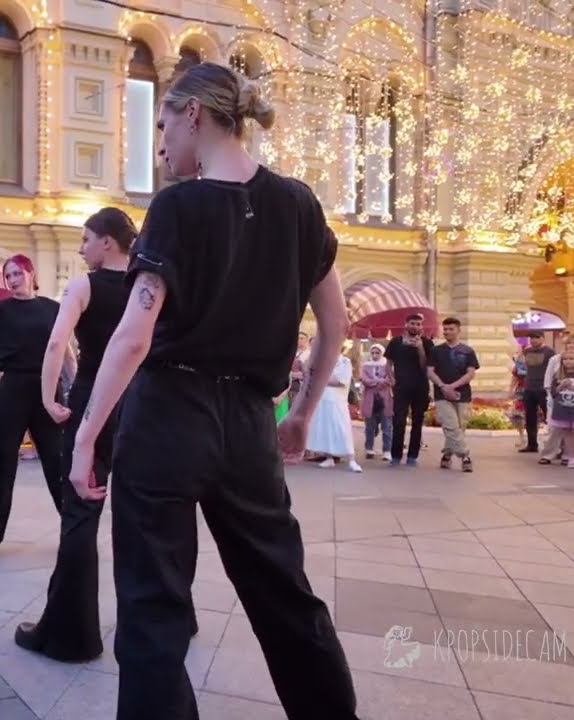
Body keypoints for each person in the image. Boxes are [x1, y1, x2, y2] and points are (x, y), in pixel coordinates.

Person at [64, 62, 356, 720]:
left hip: (167, 415)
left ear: (194, 114)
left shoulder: (177, 206)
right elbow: (336, 324)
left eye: (163, 125)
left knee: (153, 603)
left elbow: (134, 337)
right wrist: (301, 412)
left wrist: (86, 436)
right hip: (251, 422)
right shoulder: (299, 205)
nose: (161, 144)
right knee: (284, 593)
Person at [13, 207, 135, 663]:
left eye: (86, 239)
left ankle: (72, 635)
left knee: (81, 513)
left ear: (107, 242)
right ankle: (171, 618)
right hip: (139, 404)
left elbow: (56, 342)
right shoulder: (147, 284)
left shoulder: (85, 286)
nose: (81, 248)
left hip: (92, 402)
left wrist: (48, 397)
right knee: (146, 514)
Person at [0, 254, 71, 558]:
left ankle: (75, 529)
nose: (13, 280)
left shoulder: (53, 309)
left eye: (17, 273)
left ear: (31, 273)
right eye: (8, 276)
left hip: (48, 388)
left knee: (58, 459)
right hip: (12, 387)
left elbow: (66, 352)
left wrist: (76, 387)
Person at [427, 317, 479, 472]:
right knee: (450, 425)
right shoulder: (436, 350)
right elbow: (430, 372)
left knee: (459, 427)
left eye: (451, 329)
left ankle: (447, 454)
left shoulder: (468, 351)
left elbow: (471, 373)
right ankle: (465, 456)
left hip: (463, 394)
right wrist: (443, 386)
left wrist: (453, 386)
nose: (447, 332)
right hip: (442, 394)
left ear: (458, 330)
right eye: (445, 329)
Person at [385, 314, 435, 466]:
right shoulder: (395, 342)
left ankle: (413, 455)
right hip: (401, 387)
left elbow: (426, 366)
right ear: (406, 324)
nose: (416, 326)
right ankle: (396, 455)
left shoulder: (427, 343)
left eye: (419, 324)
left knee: (417, 421)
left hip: (420, 387)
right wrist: (391, 378)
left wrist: (420, 348)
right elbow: (388, 363)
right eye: (413, 323)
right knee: (398, 421)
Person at [306, 344, 362, 473]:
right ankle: (329, 457)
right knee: (326, 429)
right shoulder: (323, 362)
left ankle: (351, 460)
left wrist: (322, 378)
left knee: (342, 430)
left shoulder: (345, 362)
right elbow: (312, 375)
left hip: (337, 402)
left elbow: (340, 381)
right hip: (323, 400)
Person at [519, 331, 556, 452]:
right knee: (530, 417)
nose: (533, 340)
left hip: (544, 388)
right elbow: (521, 366)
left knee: (549, 416)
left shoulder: (550, 352)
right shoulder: (527, 351)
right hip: (529, 388)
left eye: (536, 337)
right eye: (531, 338)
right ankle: (532, 444)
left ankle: (554, 445)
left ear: (542, 338)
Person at [359, 343, 393, 459]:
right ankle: (369, 449)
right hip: (370, 399)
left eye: (377, 353)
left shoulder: (387, 365)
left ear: (382, 353)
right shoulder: (366, 366)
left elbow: (390, 379)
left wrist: (374, 381)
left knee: (386, 426)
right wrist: (379, 381)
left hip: (385, 399)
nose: (374, 355)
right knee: (369, 426)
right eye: (372, 353)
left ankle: (387, 451)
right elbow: (364, 380)